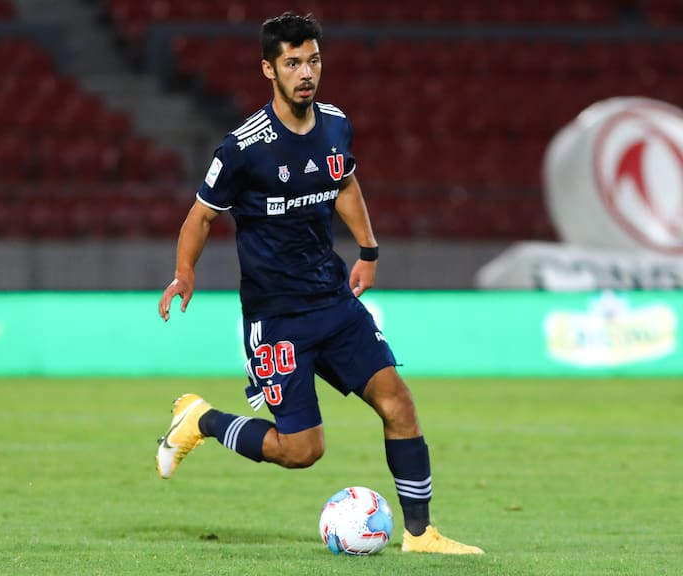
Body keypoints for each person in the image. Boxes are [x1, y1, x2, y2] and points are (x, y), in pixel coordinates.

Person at [155, 12, 483, 555]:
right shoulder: (243, 148)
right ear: (269, 69)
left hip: (332, 299)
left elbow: (345, 183)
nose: (305, 73)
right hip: (277, 316)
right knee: (301, 450)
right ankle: (203, 419)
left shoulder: (335, 124)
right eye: (292, 63)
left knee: (398, 404)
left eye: (312, 60)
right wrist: (184, 273)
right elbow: (200, 216)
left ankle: (421, 535)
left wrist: (369, 250)